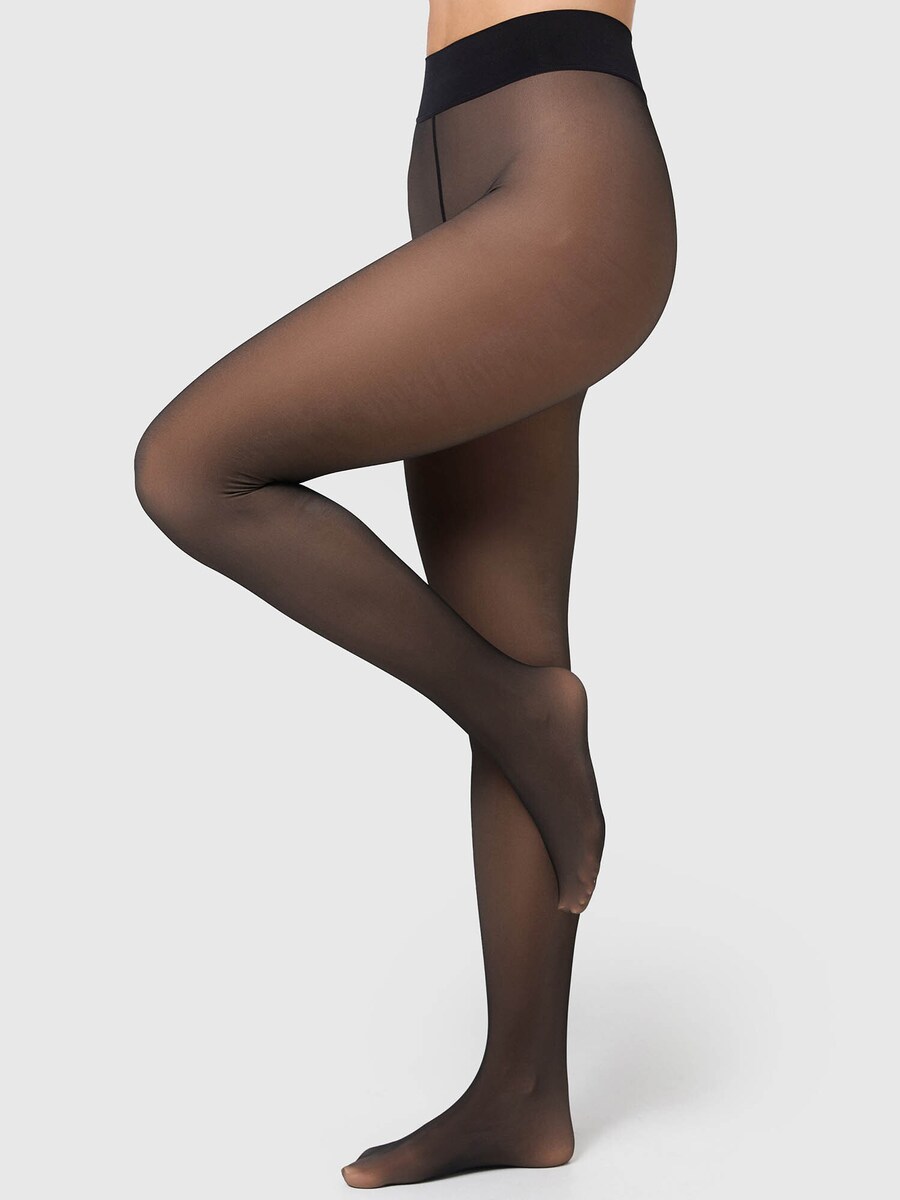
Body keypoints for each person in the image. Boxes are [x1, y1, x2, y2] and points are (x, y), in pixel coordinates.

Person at [133, 1, 676, 1188]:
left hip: (566, 173)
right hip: (460, 159)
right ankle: (523, 1095)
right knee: (506, 637)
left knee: (191, 469)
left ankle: (525, 710)